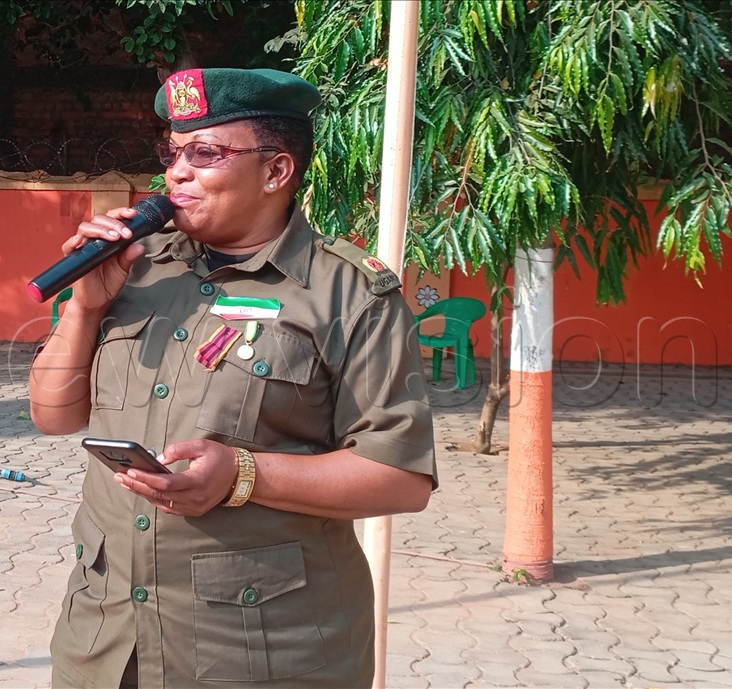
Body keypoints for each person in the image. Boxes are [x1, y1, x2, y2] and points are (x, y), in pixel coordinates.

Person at [29, 67, 437, 689]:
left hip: (263, 655)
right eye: (172, 151)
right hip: (107, 644)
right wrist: (85, 306)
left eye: (205, 153)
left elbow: (401, 479)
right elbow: (52, 415)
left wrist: (244, 474)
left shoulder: (348, 295)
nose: (177, 173)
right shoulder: (136, 269)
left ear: (276, 172)